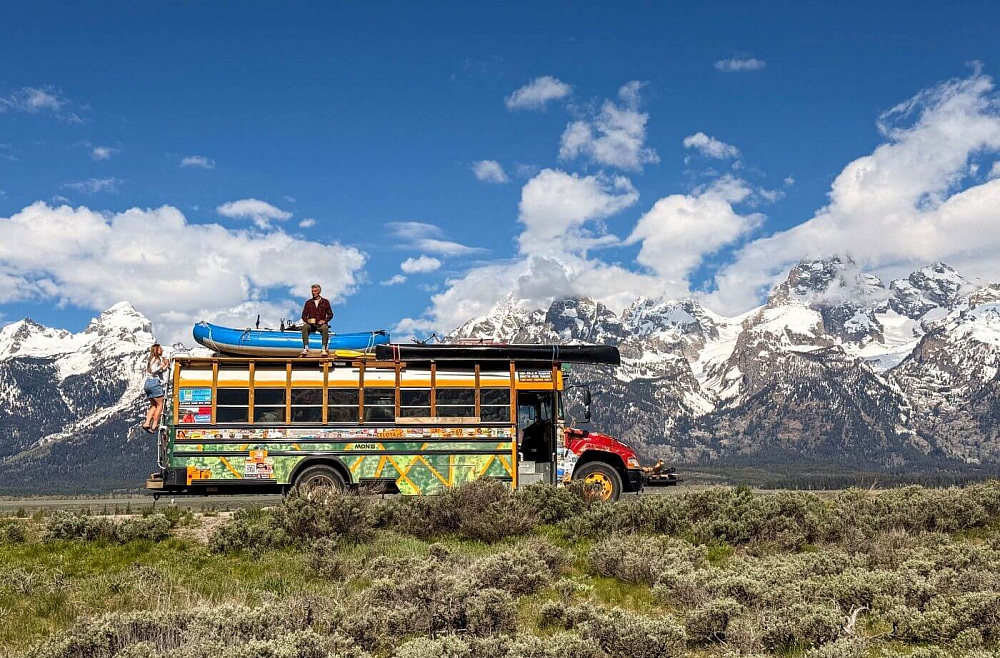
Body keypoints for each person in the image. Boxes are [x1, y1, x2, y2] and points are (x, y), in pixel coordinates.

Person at [300, 283, 334, 357]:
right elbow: (303, 315)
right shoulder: (308, 302)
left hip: (320, 325)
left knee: (325, 327)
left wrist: (324, 321)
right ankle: (305, 348)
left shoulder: (325, 302)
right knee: (305, 327)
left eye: (315, 291)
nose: (313, 293)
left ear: (319, 292)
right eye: (312, 291)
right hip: (311, 325)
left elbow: (330, 314)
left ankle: (324, 349)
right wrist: (308, 320)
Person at [142, 344, 169, 433]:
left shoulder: (151, 359)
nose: (162, 351)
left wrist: (165, 366)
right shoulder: (156, 359)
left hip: (148, 383)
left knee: (154, 405)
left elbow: (158, 372)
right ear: (156, 350)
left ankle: (146, 423)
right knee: (160, 404)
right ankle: (154, 425)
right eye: (160, 349)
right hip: (154, 383)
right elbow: (154, 370)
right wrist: (162, 365)